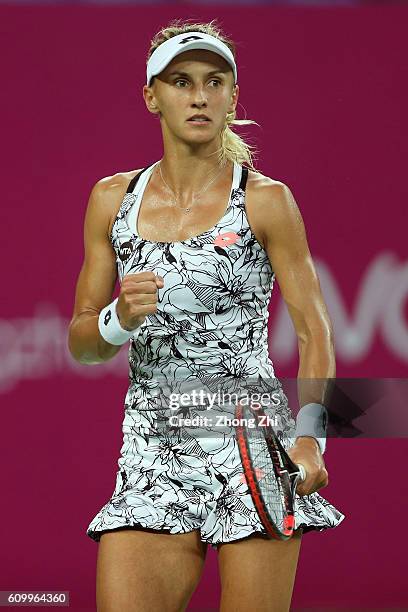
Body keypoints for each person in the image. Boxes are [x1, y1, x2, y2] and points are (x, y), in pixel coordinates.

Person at [68, 19, 345, 612]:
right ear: (152, 96)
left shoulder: (268, 200)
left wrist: (312, 438)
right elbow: (83, 342)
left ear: (232, 97)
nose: (199, 95)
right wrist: (116, 320)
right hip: (150, 452)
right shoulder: (111, 200)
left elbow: (315, 331)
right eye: (181, 81)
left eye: (215, 82)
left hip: (251, 447)